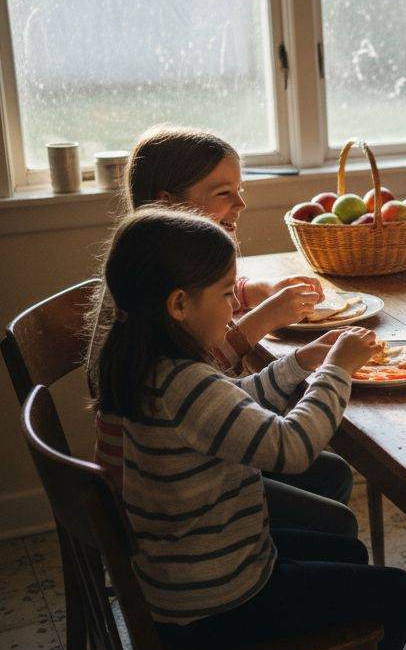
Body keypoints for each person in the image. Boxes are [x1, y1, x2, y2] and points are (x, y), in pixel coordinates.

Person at [93, 207, 406, 650]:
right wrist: (336, 372)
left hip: (183, 583)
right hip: (219, 602)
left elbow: (235, 406)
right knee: (399, 592)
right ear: (179, 304)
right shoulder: (185, 382)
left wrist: (302, 363)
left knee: (348, 552)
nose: (232, 308)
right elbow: (293, 448)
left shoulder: (144, 365)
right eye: (227, 294)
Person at [85, 125, 359, 537]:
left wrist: (255, 291)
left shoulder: (142, 269)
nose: (241, 203)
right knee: (332, 510)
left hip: (179, 461)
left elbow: (197, 298)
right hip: (166, 492)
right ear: (170, 202)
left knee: (331, 473)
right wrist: (262, 320)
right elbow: (189, 375)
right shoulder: (167, 365)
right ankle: (263, 566)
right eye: (224, 193)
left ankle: (281, 559)